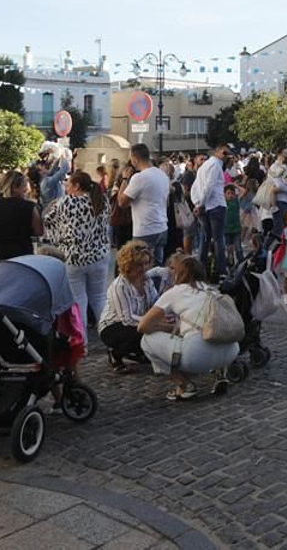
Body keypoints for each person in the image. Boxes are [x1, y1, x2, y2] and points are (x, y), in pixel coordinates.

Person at [134, 254, 240, 400]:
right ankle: (220, 374)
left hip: (197, 355)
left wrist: (168, 328)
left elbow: (143, 326)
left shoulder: (175, 292)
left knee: (146, 340)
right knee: (212, 329)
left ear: (178, 274)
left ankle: (184, 385)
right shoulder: (213, 290)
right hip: (230, 352)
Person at [45, 171, 112, 329]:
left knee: (78, 300)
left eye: (68, 185)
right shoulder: (103, 201)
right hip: (100, 256)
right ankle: (107, 336)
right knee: (99, 298)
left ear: (77, 186)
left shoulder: (66, 202)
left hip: (74, 258)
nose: (67, 188)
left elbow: (49, 222)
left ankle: (83, 343)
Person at [98, 240, 158, 370]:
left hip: (138, 320)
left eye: (146, 263)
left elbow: (155, 304)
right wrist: (152, 323)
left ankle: (140, 353)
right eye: (139, 265)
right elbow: (127, 318)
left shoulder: (147, 280)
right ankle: (116, 352)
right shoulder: (120, 286)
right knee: (142, 333)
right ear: (129, 264)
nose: (144, 268)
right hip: (113, 325)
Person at [0, 172, 42, 261]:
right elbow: (39, 231)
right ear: (14, 187)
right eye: (24, 186)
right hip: (22, 253)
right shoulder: (30, 207)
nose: (27, 190)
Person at [119, 144, 170, 252]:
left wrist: (124, 179)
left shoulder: (139, 178)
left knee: (140, 267)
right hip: (162, 227)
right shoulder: (162, 175)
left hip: (145, 230)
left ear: (134, 159)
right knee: (157, 266)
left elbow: (122, 202)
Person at [191, 143, 230, 278]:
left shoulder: (205, 166)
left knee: (205, 239)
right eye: (225, 153)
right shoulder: (214, 165)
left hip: (206, 206)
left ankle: (201, 271)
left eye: (228, 154)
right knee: (218, 239)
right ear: (217, 152)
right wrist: (200, 204)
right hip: (215, 205)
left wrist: (197, 203)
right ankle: (222, 272)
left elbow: (195, 187)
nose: (226, 156)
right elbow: (209, 186)